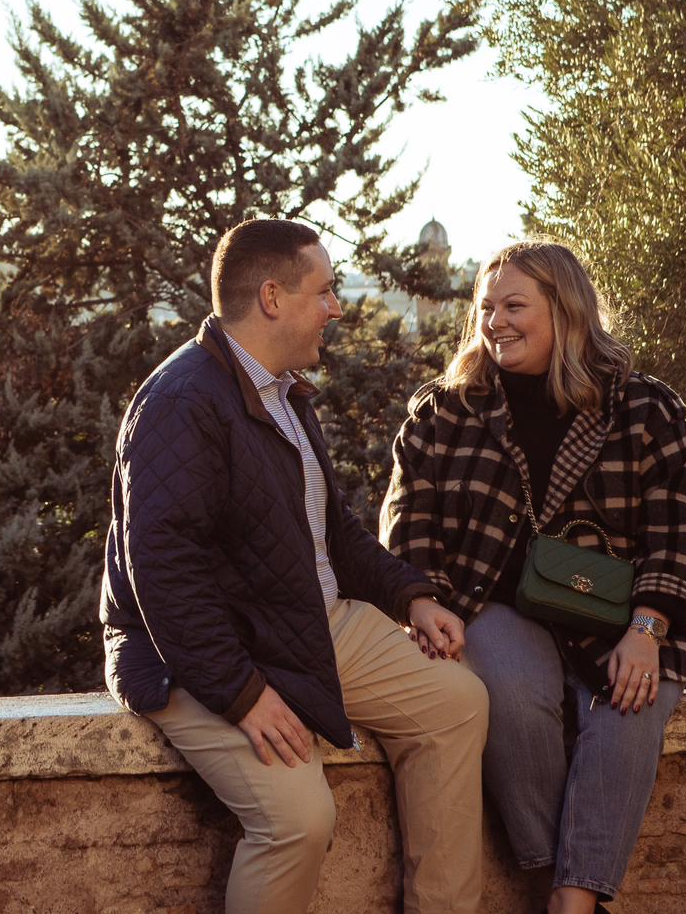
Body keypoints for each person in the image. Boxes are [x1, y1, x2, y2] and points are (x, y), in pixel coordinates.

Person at [100, 218, 490, 914]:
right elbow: (162, 573)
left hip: (303, 620)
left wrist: (411, 598)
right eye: (326, 291)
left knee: (456, 703)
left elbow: (331, 530)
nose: (337, 308)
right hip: (195, 652)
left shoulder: (283, 393)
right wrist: (242, 694)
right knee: (297, 818)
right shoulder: (183, 402)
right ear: (273, 298)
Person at [381, 242, 686, 914]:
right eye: (485, 307)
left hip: (627, 614)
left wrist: (648, 630)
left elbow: (679, 529)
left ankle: (571, 898)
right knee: (510, 692)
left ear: (566, 311)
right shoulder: (443, 412)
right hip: (491, 604)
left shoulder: (646, 410)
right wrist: (420, 599)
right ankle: (562, 876)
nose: (494, 321)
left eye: (514, 306)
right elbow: (407, 521)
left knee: (631, 709)